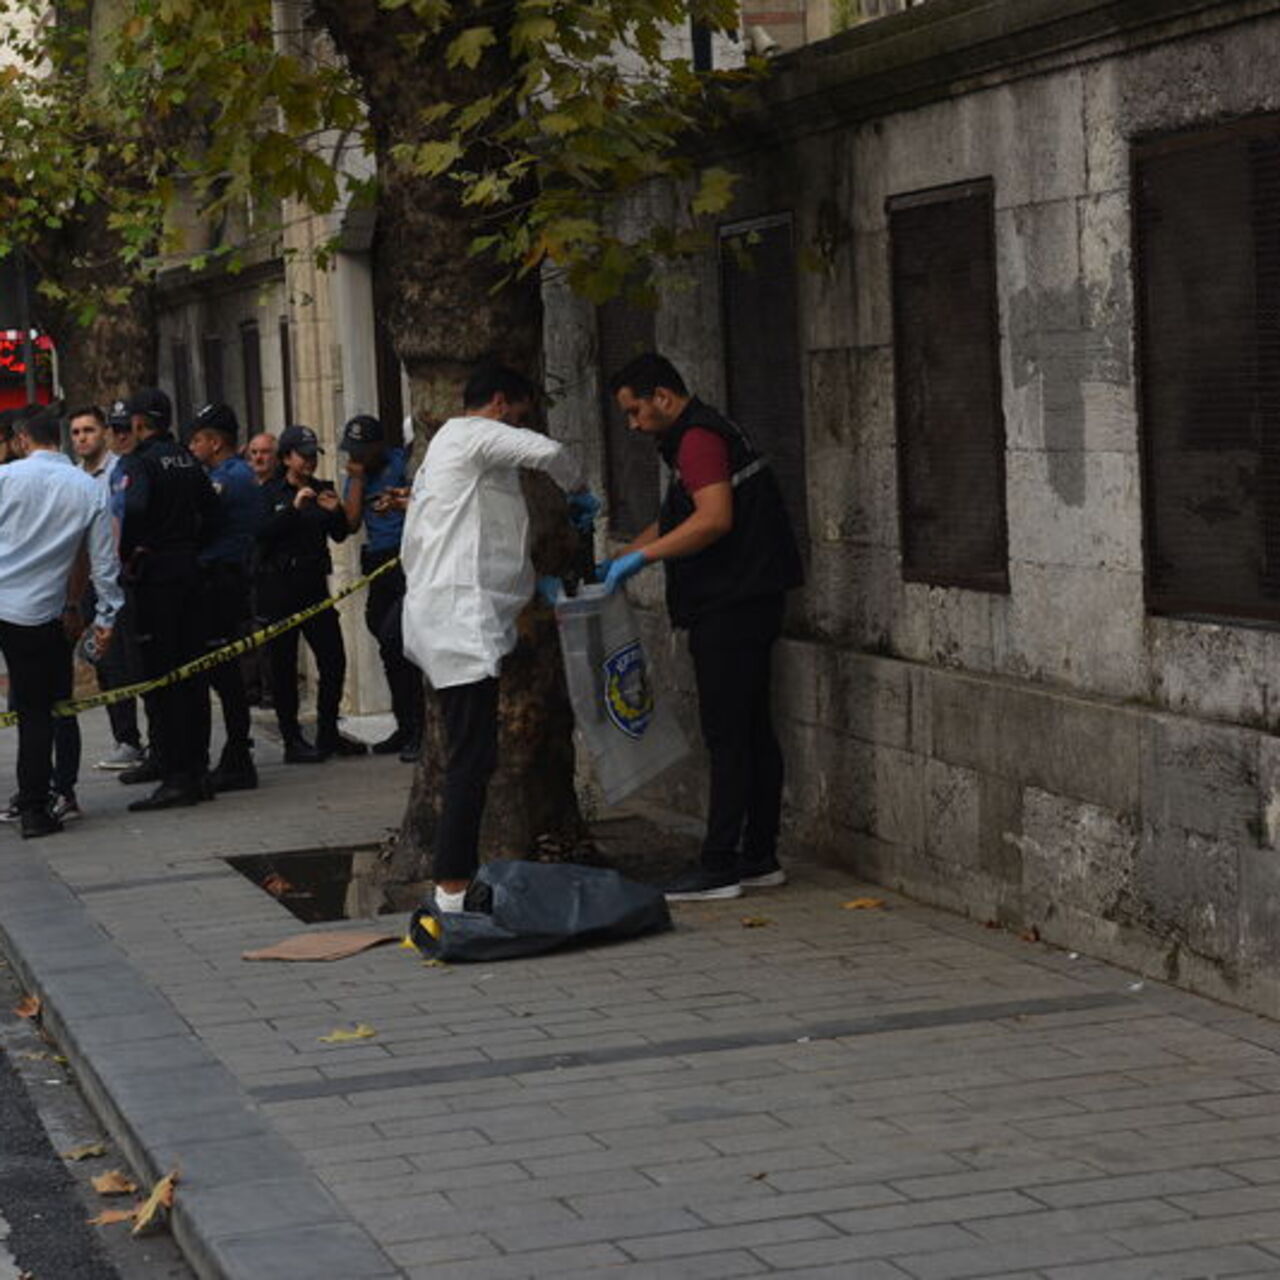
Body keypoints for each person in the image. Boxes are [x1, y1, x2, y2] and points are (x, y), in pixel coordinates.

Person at [604, 353, 804, 902]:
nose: (634, 424)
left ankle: (720, 866)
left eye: (636, 411)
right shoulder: (699, 437)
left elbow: (714, 519)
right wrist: (625, 554)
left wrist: (641, 563)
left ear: (663, 397)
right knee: (753, 730)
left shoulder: (699, 439)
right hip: (748, 597)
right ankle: (758, 856)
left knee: (729, 736)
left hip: (733, 603)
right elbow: (678, 518)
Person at [400, 364, 597, 914]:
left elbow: (488, 536)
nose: (520, 423)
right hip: (459, 624)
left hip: (453, 618)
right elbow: (548, 453)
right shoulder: (471, 433)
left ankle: (456, 882)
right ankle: (452, 889)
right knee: (471, 758)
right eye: (520, 412)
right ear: (502, 404)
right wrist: (580, 489)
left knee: (473, 754)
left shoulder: (449, 452)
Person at [0, 407, 122, 838]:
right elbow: (103, 563)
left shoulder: (6, 479)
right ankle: (38, 806)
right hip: (40, 613)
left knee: (31, 707)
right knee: (44, 710)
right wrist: (105, 617)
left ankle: (38, 800)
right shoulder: (87, 489)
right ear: (61, 440)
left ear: (21, 440)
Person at [113, 387, 220, 811]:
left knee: (162, 679)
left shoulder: (140, 463)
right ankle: (196, 770)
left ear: (140, 424)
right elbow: (213, 513)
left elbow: (133, 510)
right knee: (192, 676)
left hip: (156, 579)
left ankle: (176, 775)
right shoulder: (187, 458)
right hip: (189, 573)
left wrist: (131, 553)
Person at [256, 424, 366, 762]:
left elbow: (340, 535)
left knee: (333, 660)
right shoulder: (270, 492)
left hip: (315, 586)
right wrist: (294, 509)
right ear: (286, 458)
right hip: (280, 590)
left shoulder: (322, 489)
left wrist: (335, 512)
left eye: (312, 456)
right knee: (284, 666)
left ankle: (329, 732)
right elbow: (261, 535)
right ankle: (292, 740)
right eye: (302, 457)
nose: (308, 463)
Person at [65, 404, 147, 775]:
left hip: (121, 580)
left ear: (105, 434)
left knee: (131, 660)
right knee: (106, 664)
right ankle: (125, 738)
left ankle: (147, 739)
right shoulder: (72, 479)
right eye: (77, 433)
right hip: (88, 583)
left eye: (89, 430)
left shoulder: (121, 472)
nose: (83, 438)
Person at [340, 413, 422, 763]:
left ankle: (420, 729)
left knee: (399, 639)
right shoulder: (357, 476)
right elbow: (351, 522)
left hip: (405, 559)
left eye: (363, 451)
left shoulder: (400, 464)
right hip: (377, 561)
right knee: (385, 640)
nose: (357, 457)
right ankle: (405, 725)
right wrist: (357, 482)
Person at [188, 402, 261, 792]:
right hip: (223, 579)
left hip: (221, 581)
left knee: (224, 673)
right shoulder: (227, 474)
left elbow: (202, 522)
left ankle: (238, 754)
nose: (192, 446)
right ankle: (236, 751)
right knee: (224, 672)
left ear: (215, 443)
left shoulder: (227, 480)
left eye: (197, 439)